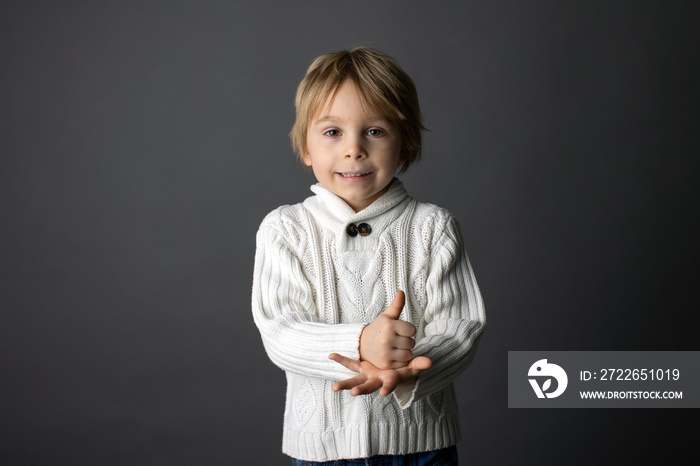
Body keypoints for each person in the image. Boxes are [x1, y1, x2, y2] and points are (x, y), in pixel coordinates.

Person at [251, 46, 485, 466]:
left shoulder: (433, 227)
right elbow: (281, 330)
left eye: (374, 131)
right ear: (305, 146)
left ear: (405, 142)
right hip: (322, 448)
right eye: (332, 132)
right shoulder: (285, 229)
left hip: (421, 445)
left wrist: (410, 366)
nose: (353, 149)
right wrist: (360, 342)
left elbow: (461, 325)